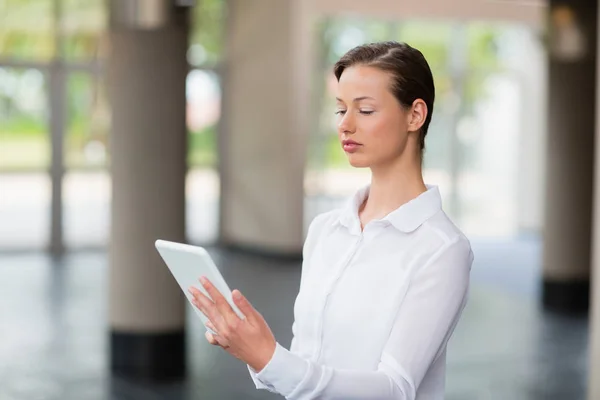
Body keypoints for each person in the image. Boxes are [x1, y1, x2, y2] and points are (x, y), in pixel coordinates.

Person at [188, 41, 474, 399]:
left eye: (365, 110)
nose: (346, 125)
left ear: (415, 116)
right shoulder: (326, 230)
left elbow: (395, 389)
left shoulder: (442, 249)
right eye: (341, 110)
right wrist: (252, 349)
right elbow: (307, 365)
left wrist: (268, 356)